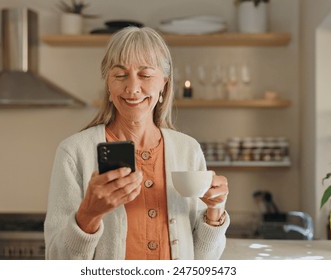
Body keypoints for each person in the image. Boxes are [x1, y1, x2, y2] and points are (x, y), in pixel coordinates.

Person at [44, 26, 229, 260]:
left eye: (145, 75)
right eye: (120, 75)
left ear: (163, 83)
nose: (132, 88)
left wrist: (215, 210)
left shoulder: (187, 149)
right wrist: (88, 215)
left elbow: (203, 261)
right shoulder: (74, 152)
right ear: (109, 86)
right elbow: (57, 262)